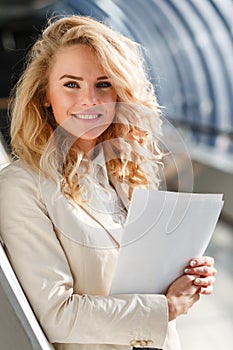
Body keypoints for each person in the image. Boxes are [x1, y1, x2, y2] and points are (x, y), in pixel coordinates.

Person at [0, 15, 216, 350]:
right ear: (45, 95)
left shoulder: (126, 175)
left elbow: (137, 286)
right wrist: (167, 308)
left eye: (103, 84)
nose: (89, 100)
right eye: (71, 84)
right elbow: (57, 315)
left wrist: (186, 277)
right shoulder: (22, 188)